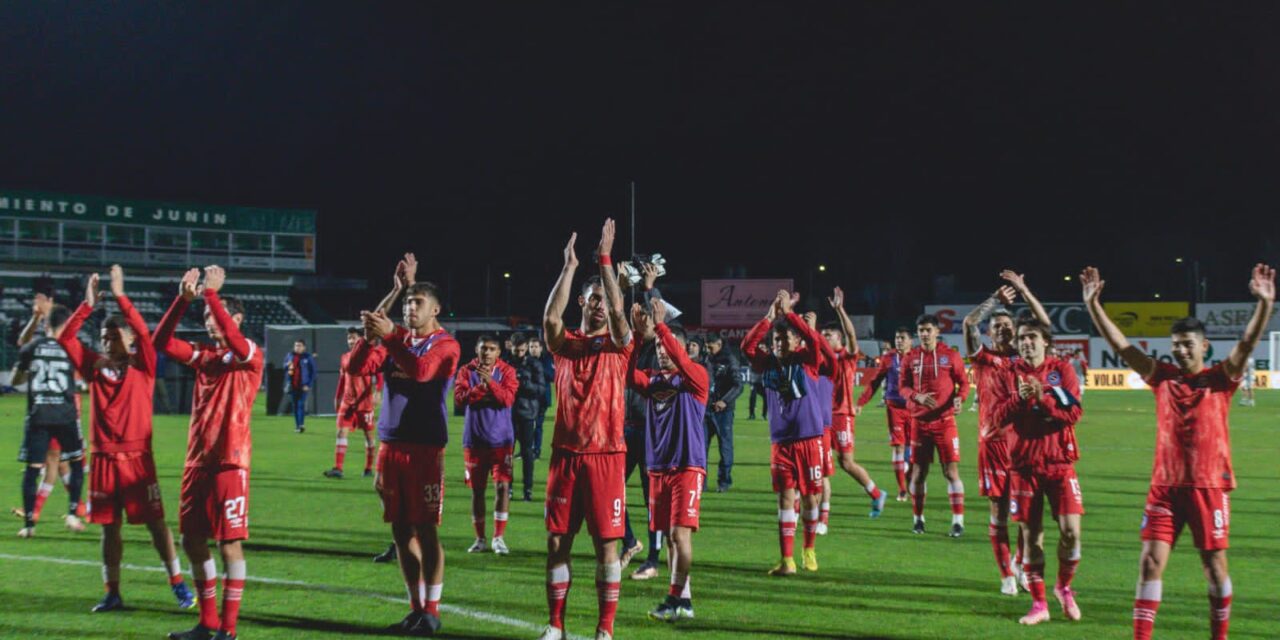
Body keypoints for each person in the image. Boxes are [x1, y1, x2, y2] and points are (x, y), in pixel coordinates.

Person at [1082, 264, 1274, 640]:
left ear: (1204, 346)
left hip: (1208, 488)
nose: (1182, 351)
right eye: (1176, 346)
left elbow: (1247, 344)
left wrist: (1265, 304)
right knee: (1150, 563)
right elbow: (1122, 347)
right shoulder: (1163, 378)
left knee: (1214, 567)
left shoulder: (1220, 380)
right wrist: (1093, 306)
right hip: (1164, 488)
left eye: (1189, 344)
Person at [59, 266, 194, 614]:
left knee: (155, 524)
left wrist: (120, 294)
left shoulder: (143, 363)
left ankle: (177, 582)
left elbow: (149, 336)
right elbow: (65, 338)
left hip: (137, 460)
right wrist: (87, 305)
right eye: (104, 335)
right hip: (103, 459)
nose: (107, 340)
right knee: (109, 528)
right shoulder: (93, 366)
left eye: (115, 333)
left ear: (131, 338)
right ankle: (112, 591)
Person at [345, 252, 461, 636]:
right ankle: (414, 607)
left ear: (436, 309)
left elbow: (422, 371)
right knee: (398, 530)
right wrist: (392, 296)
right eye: (408, 304)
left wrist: (391, 333)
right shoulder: (398, 341)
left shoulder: (446, 345)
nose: (411, 309)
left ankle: (433, 608)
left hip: (426, 448)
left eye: (417, 303)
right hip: (391, 446)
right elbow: (356, 367)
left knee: (426, 530)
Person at [155, 266, 264, 640]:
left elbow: (234, 340)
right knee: (191, 540)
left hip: (230, 461)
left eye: (214, 315)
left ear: (237, 318)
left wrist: (211, 296)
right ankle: (208, 622)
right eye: (203, 317)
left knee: (228, 542)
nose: (208, 322)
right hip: (197, 461)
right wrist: (183, 301)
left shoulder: (250, 353)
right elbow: (161, 343)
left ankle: (228, 630)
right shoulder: (203, 356)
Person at [537, 221, 632, 640]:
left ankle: (604, 629)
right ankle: (555, 626)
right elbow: (550, 317)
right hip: (565, 457)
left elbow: (617, 312)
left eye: (603, 301)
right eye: (592, 299)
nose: (599, 307)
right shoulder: (566, 345)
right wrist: (570, 266)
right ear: (582, 300)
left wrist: (606, 262)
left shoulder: (619, 343)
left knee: (606, 548)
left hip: (607, 456)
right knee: (557, 543)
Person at [989, 317, 1084, 625]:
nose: (1026, 342)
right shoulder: (1007, 374)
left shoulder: (1062, 371)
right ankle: (1039, 604)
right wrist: (1020, 397)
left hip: (1059, 463)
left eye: (1032, 336)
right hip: (1024, 467)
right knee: (1032, 537)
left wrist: (1041, 401)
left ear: (1046, 341)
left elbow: (1073, 413)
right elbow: (995, 417)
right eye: (1022, 338)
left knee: (1071, 532)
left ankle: (1064, 587)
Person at [962, 271, 1052, 595]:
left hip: (1023, 443)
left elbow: (1045, 325)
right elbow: (968, 324)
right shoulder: (983, 359)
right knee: (999, 512)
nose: (1002, 329)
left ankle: (1019, 561)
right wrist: (994, 303)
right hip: (992, 443)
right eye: (996, 326)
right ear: (989, 332)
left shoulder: (1024, 358)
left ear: (1015, 331)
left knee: (1025, 511)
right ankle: (1006, 575)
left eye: (1007, 325)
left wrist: (1025, 290)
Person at [742, 290, 834, 576]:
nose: (780, 343)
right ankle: (787, 560)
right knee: (784, 498)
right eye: (776, 339)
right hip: (781, 444)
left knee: (810, 499)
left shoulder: (807, 359)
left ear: (796, 342)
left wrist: (791, 315)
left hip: (810, 441)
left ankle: (809, 549)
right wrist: (770, 318)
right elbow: (747, 347)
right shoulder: (767, 363)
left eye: (785, 338)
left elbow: (818, 345)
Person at [627, 300, 708, 622]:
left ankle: (673, 598)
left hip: (687, 464)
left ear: (683, 349)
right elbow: (628, 374)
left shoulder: (696, 377)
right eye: (659, 346)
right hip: (658, 468)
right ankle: (684, 601)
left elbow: (682, 362)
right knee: (670, 538)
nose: (662, 350)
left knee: (679, 535)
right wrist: (638, 336)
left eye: (668, 346)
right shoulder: (654, 381)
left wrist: (661, 327)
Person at [12, 293, 86, 537]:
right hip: (66, 413)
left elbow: (18, 372)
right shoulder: (70, 346)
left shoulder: (38, 346)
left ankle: (31, 521)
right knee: (69, 463)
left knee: (43, 465)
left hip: (43, 412)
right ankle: (75, 511)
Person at [899, 314, 970, 536]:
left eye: (928, 330)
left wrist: (961, 398)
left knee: (950, 472)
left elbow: (964, 383)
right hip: (920, 423)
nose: (924, 334)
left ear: (937, 332)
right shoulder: (910, 358)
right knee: (918, 473)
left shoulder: (951, 356)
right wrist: (915, 397)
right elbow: (903, 387)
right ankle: (918, 519)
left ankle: (958, 521)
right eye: (921, 330)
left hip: (945, 422)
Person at [821, 287, 887, 526]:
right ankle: (821, 516)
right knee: (820, 465)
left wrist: (840, 310)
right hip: (821, 418)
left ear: (838, 338)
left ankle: (877, 494)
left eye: (829, 335)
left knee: (846, 463)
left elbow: (851, 335)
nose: (825, 338)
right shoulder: (821, 358)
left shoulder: (847, 355)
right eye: (823, 335)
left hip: (842, 415)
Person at [454, 334, 518, 555]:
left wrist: (489, 383)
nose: (487, 353)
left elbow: (507, 399)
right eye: (484, 349)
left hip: (502, 442)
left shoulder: (507, 371)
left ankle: (498, 538)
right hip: (474, 442)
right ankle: (480, 538)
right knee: (477, 491)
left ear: (499, 352)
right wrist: (482, 389)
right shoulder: (466, 371)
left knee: (502, 487)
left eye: (492, 349)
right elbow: (460, 399)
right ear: (477, 350)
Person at [857, 328, 915, 500]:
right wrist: (861, 402)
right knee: (898, 447)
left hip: (914, 409)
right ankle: (902, 489)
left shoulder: (917, 358)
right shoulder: (889, 358)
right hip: (894, 408)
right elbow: (875, 382)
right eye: (897, 338)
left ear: (910, 341)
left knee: (913, 452)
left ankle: (910, 482)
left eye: (903, 338)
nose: (899, 341)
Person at [325, 328, 381, 479]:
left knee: (369, 436)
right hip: (347, 402)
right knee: (341, 431)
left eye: (353, 338)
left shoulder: (370, 356)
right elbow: (342, 379)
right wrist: (337, 397)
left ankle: (369, 468)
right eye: (349, 338)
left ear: (360, 340)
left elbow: (379, 375)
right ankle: (338, 468)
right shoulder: (345, 357)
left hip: (365, 402)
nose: (350, 341)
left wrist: (378, 391)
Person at [510, 332, 547, 501]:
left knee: (527, 453)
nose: (519, 354)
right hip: (507, 415)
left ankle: (528, 490)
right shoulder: (505, 362)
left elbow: (540, 390)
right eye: (517, 350)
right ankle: (507, 488)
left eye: (522, 350)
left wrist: (524, 383)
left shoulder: (534, 365)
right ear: (511, 347)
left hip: (526, 414)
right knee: (506, 455)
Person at [702, 333, 741, 493]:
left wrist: (724, 401)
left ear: (719, 343)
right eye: (706, 347)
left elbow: (738, 385)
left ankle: (724, 482)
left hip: (724, 412)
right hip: (706, 410)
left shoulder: (730, 360)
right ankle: (700, 483)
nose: (708, 350)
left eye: (710, 347)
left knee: (725, 448)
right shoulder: (706, 359)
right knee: (700, 449)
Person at [283, 339, 316, 433]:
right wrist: (287, 365)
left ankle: (301, 424)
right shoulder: (290, 355)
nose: (297, 347)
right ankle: (297, 425)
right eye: (296, 345)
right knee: (295, 406)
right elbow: (284, 367)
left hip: (303, 385)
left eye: (299, 345)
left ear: (304, 347)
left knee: (301, 405)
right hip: (292, 385)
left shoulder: (307, 357)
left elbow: (313, 372)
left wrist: (308, 384)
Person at [528, 337, 554, 459]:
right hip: (527, 398)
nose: (533, 349)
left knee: (537, 425)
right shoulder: (525, 361)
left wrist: (538, 368)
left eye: (535, 347)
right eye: (531, 347)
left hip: (541, 398)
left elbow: (552, 375)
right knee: (524, 426)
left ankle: (536, 451)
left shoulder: (547, 360)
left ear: (541, 348)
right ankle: (527, 450)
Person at [747, 342, 769, 419]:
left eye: (763, 348)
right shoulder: (754, 357)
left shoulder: (768, 358)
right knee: (753, 396)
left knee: (766, 397)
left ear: (766, 349)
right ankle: (751, 414)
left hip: (763, 382)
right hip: (755, 381)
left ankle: (764, 415)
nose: (761, 350)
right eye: (760, 348)